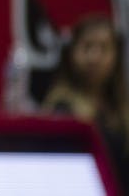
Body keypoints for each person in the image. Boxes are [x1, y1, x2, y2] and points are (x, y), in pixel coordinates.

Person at [42, 16, 129, 192]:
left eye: (104, 48)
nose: (94, 57)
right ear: (72, 52)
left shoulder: (122, 108)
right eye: (87, 46)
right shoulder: (62, 108)